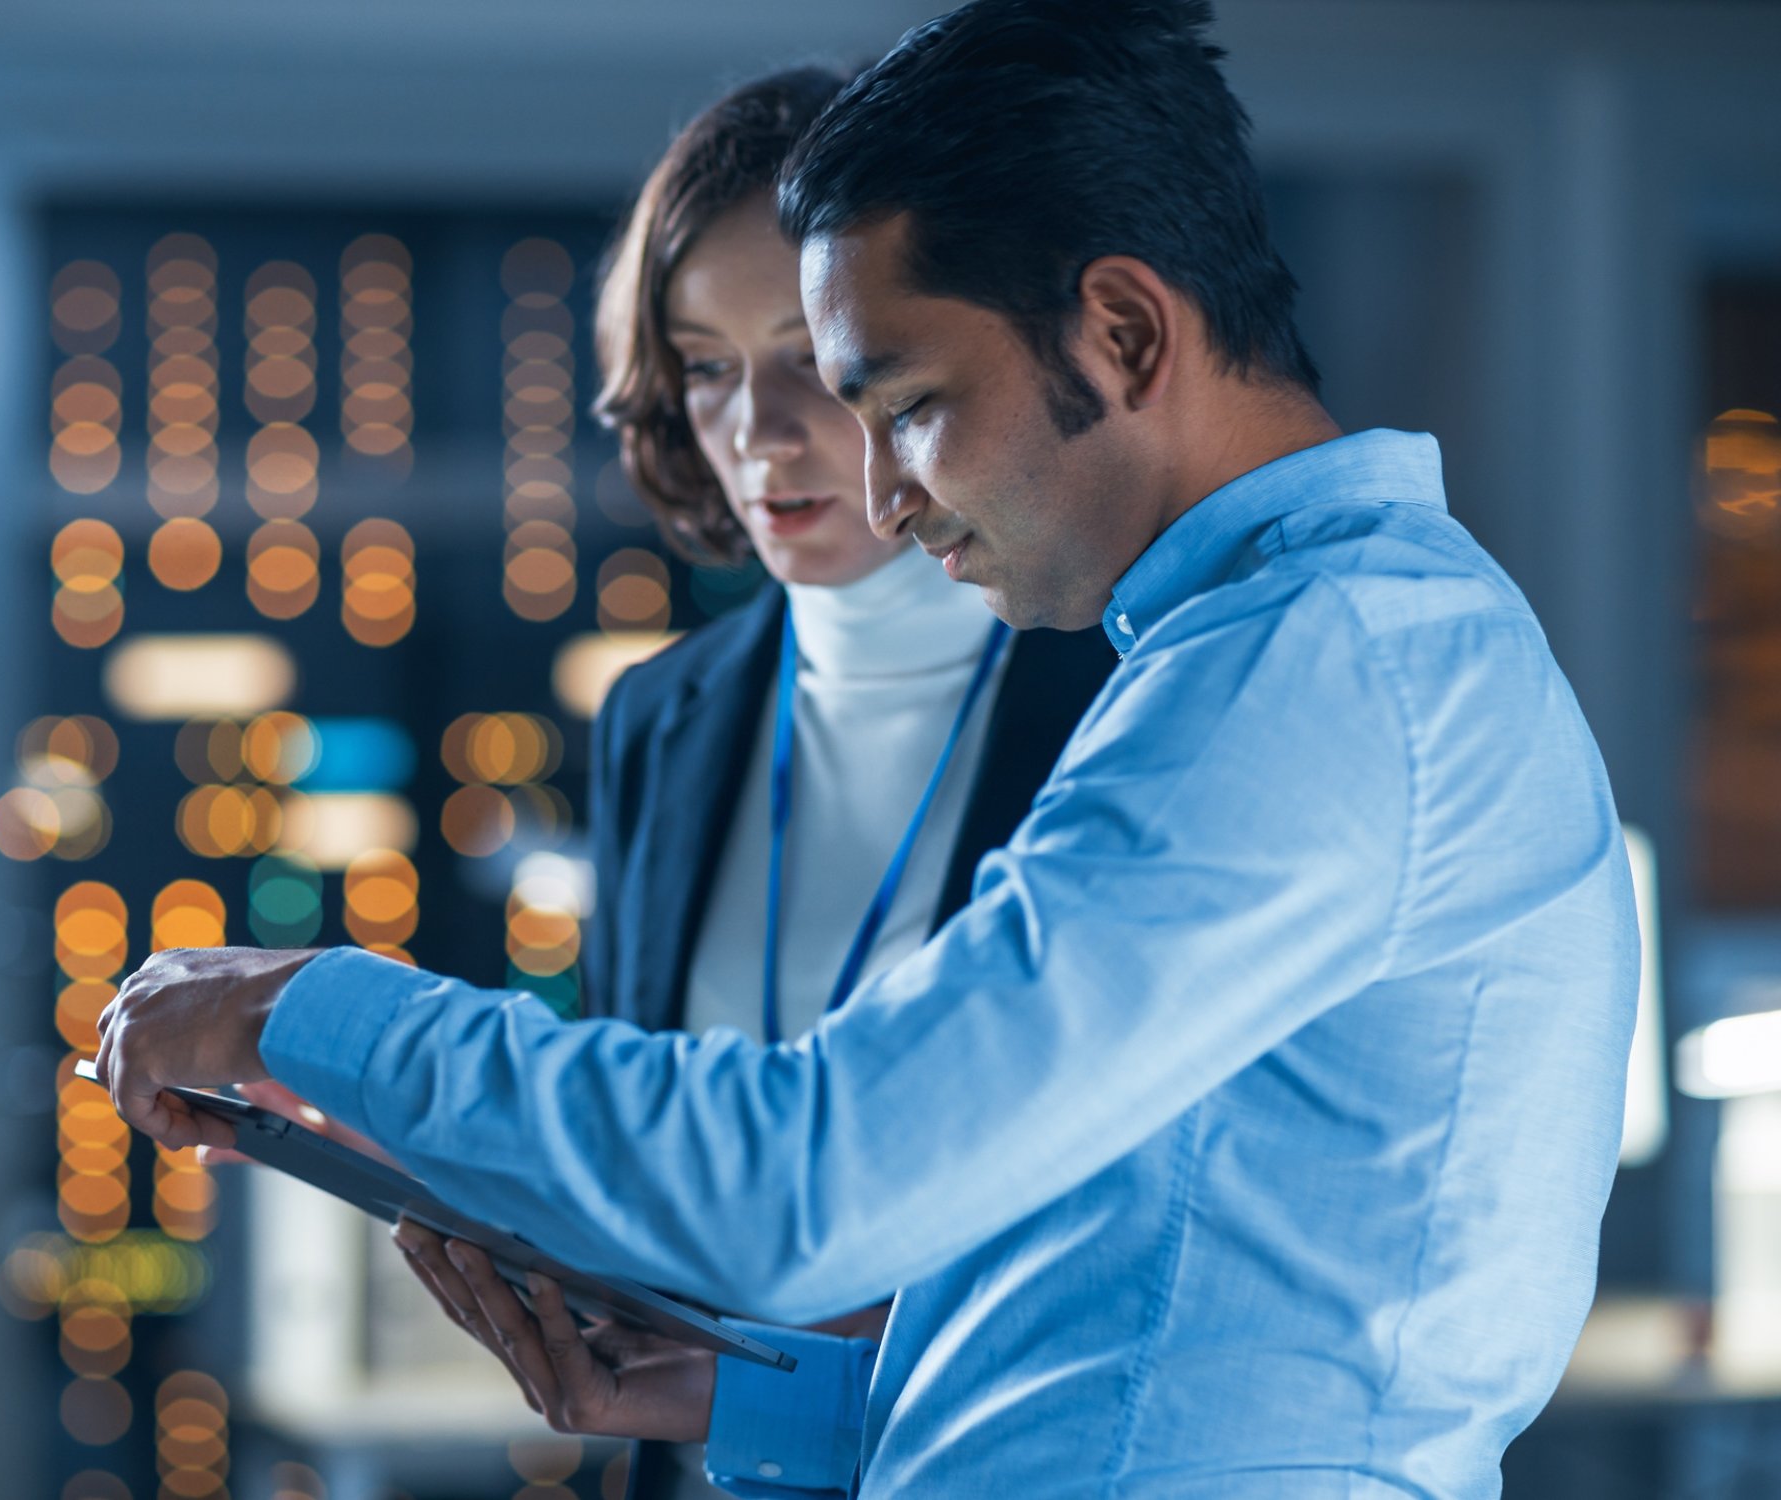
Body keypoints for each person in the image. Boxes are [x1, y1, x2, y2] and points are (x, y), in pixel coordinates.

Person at [97, 3, 1642, 1495]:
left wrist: (301, 1007)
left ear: (1122, 332)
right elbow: (1158, 1363)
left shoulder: (1317, 669)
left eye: (909, 405)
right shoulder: (1264, 655)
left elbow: (810, 1185)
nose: (886, 494)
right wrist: (774, 1403)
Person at [217, 64, 1111, 1500]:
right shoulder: (662, 716)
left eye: (814, 358)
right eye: (702, 365)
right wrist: (443, 1159)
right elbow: (657, 1152)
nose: (755, 429)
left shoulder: (1117, 689)